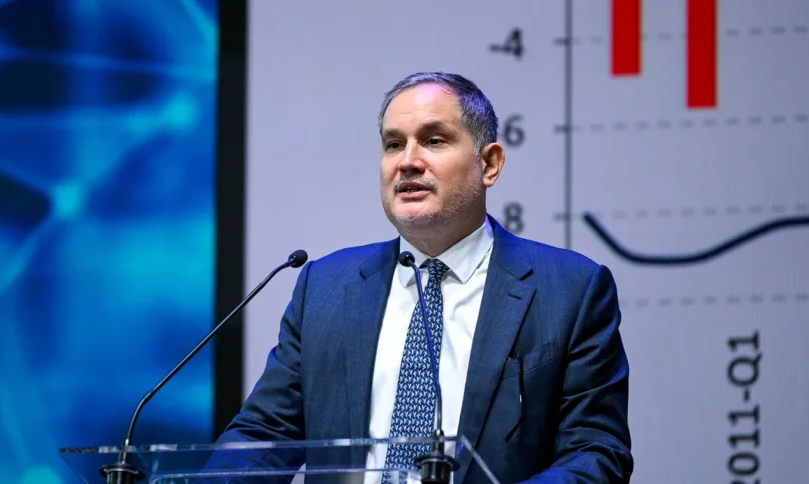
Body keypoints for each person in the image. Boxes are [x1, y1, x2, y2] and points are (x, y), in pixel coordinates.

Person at [212, 72, 633, 483]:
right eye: (394, 144)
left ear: (489, 164)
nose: (408, 161)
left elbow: (596, 453)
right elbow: (264, 436)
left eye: (434, 141)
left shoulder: (570, 291)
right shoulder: (325, 287)